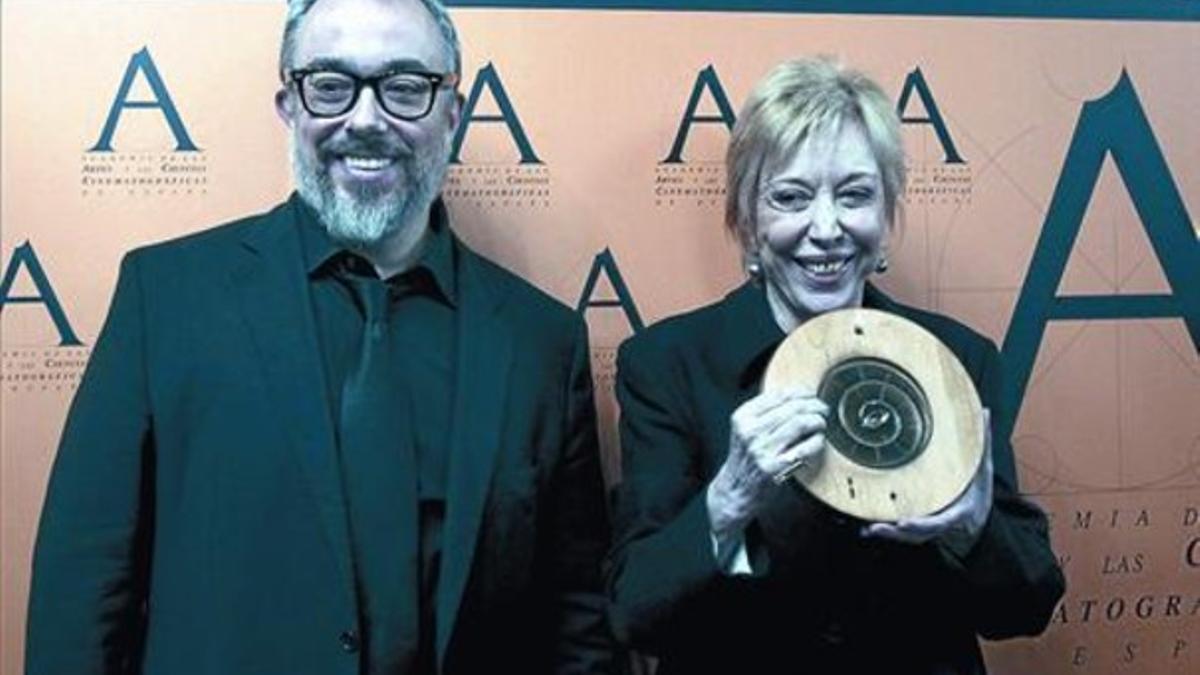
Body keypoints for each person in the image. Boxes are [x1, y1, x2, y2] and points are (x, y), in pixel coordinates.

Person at [25, 1, 612, 673]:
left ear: (451, 111)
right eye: (331, 84)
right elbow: (83, 589)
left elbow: (577, 623)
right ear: (288, 106)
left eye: (405, 86)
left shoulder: (543, 341)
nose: (365, 119)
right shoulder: (165, 299)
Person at [606, 57, 1064, 674]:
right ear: (747, 219)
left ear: (886, 211)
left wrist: (972, 529)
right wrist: (729, 498)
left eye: (855, 195)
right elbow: (635, 611)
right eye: (791, 197)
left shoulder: (959, 360)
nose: (827, 229)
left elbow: (1027, 607)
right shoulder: (667, 365)